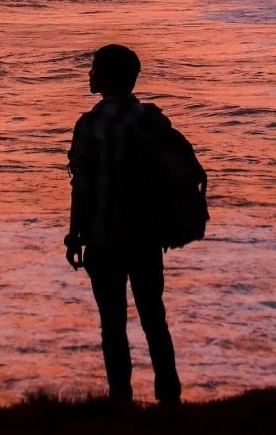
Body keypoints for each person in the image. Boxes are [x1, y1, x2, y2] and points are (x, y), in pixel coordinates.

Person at [65, 44, 182, 405]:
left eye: (95, 68)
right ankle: (170, 399)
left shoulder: (89, 123)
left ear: (110, 77)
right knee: (154, 319)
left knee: (112, 325)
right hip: (146, 236)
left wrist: (74, 235)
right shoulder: (152, 119)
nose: (90, 74)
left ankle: (121, 400)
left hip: (102, 238)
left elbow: (81, 186)